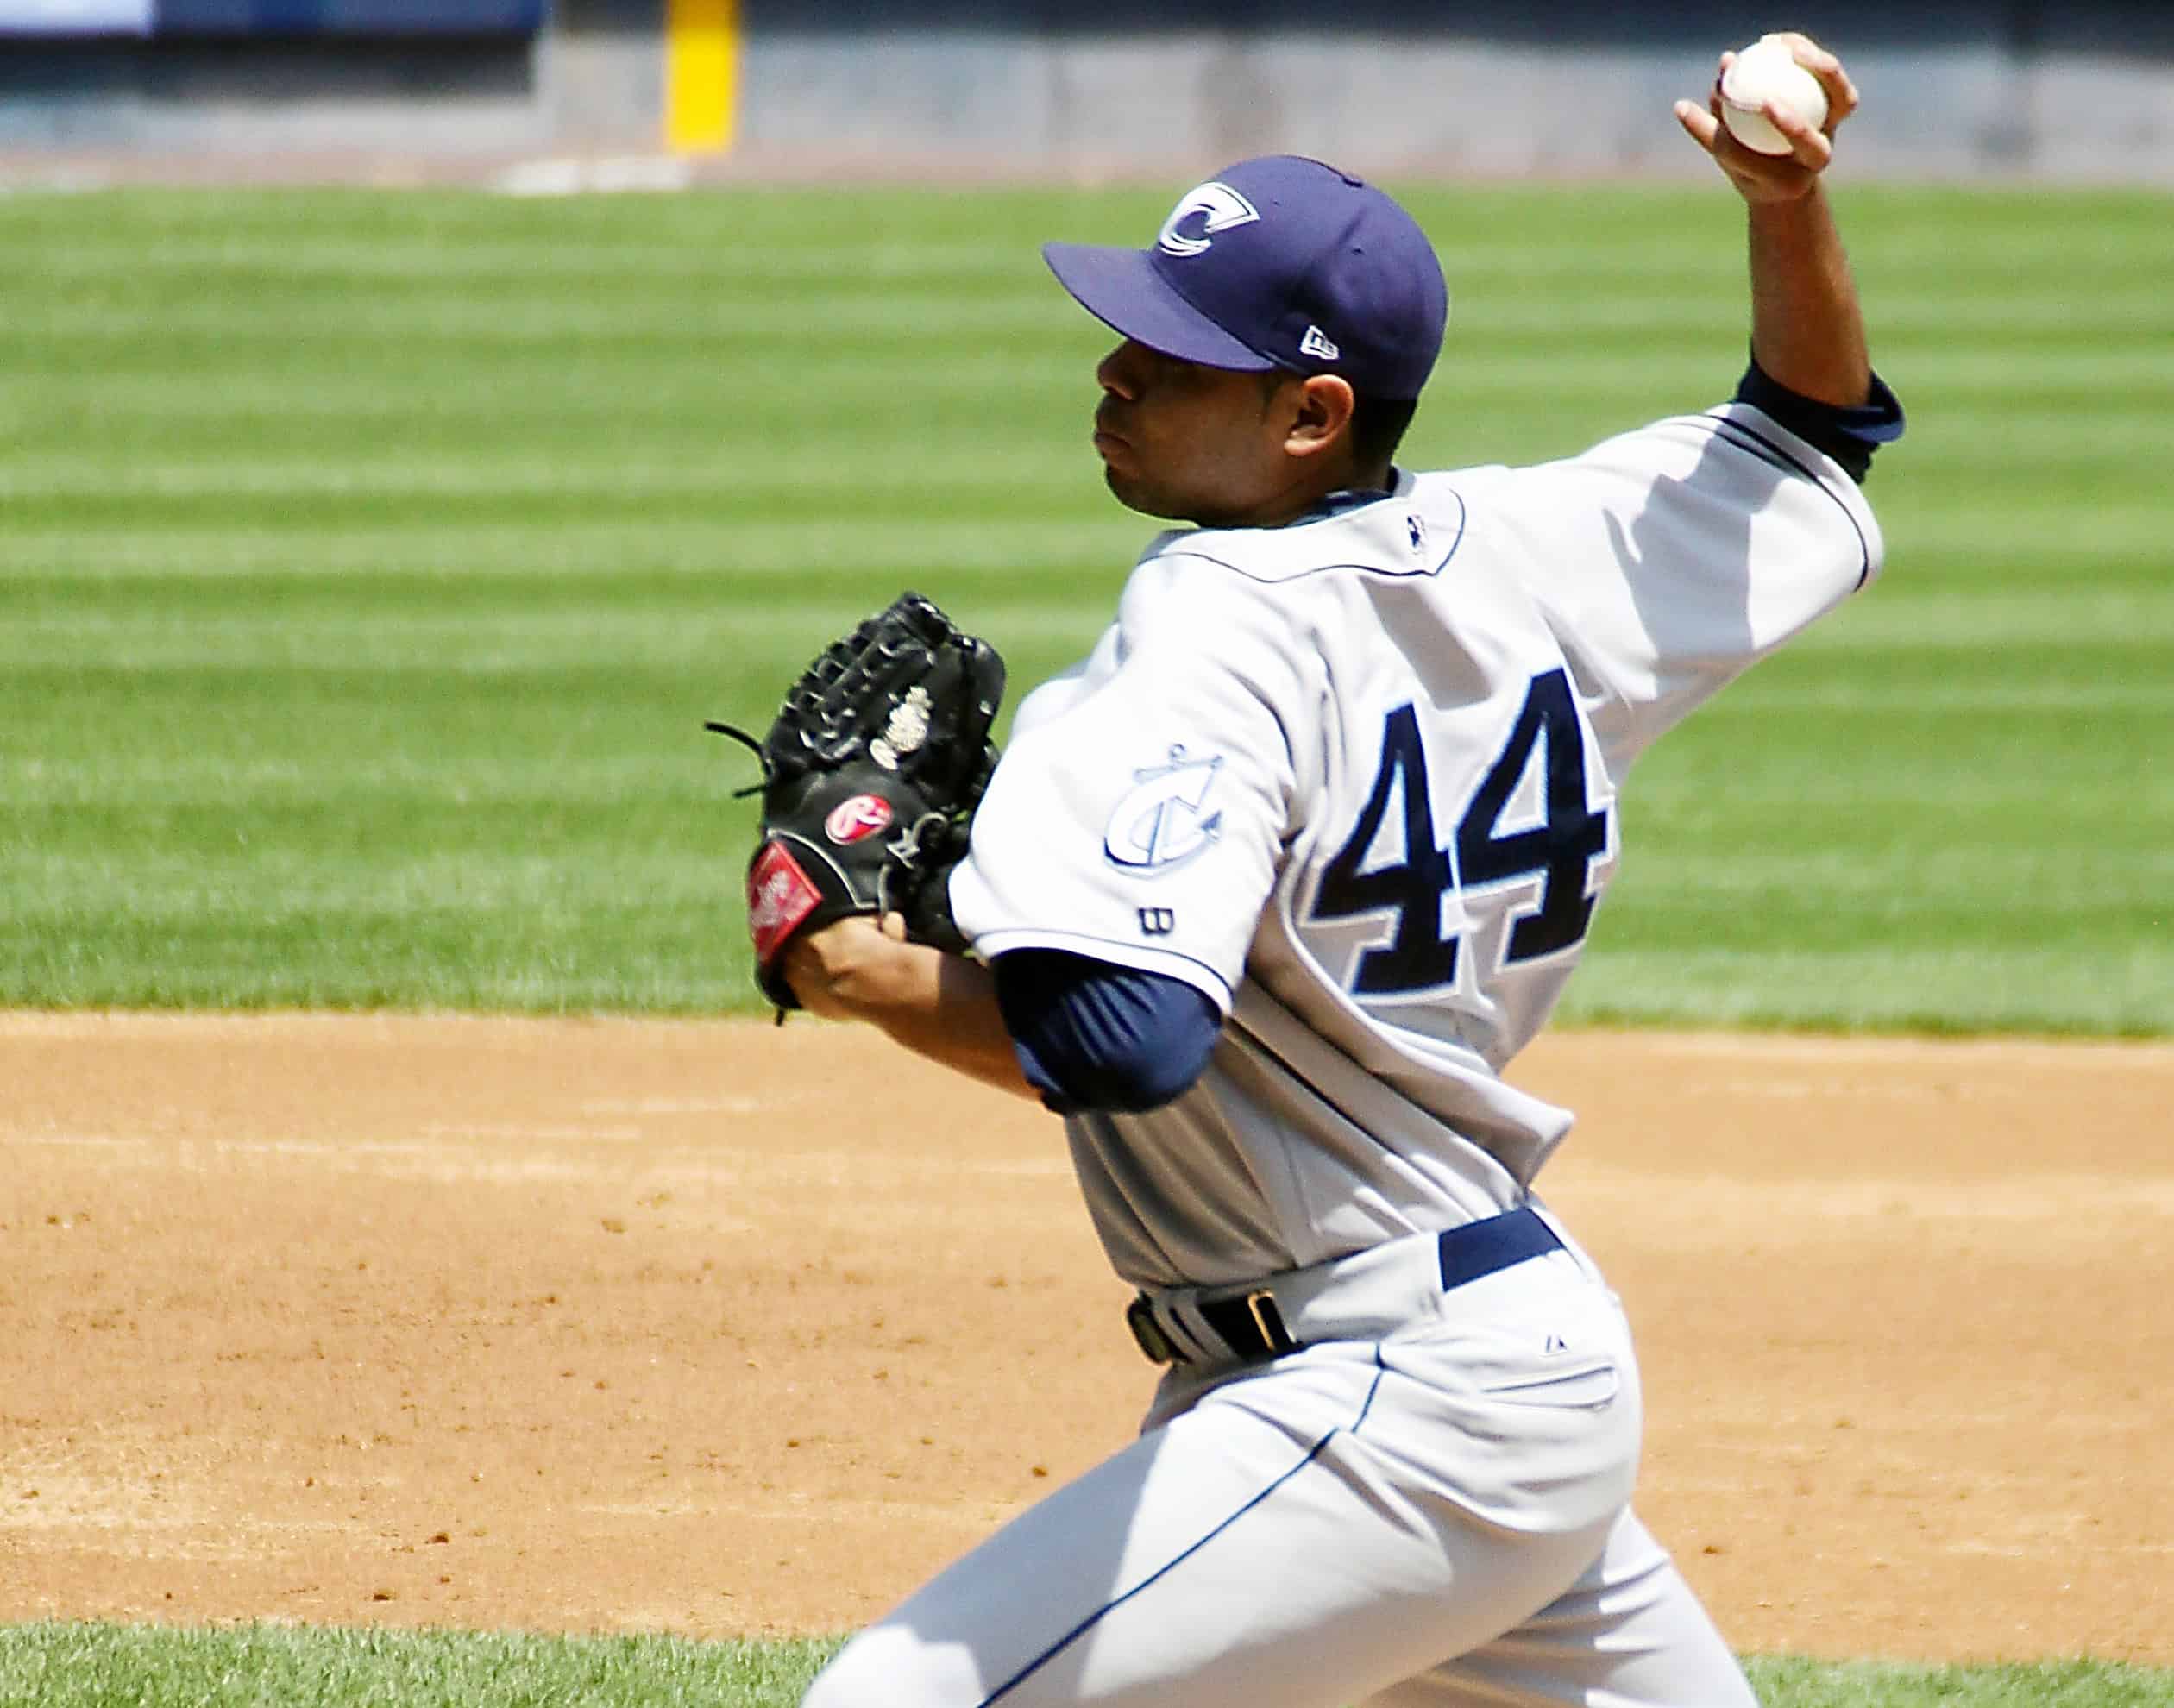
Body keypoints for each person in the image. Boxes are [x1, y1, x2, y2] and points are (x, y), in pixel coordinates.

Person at [778, 35, 1903, 1708]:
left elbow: (1124, 1040)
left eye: (1172, 355)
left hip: (1389, 1401)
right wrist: (1786, 203)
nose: (1114, 373)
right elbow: (1813, 429)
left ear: (1311, 416)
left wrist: (840, 953)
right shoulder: (1546, 552)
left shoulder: (1212, 633)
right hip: (1500, 1379)